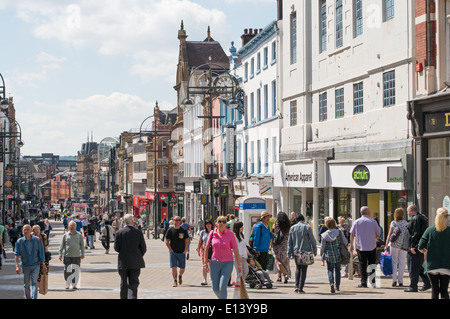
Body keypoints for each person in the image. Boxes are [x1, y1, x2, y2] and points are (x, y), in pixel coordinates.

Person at [203, 216, 242, 299]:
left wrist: (239, 264)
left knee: (222, 286)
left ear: (226, 224)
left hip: (227, 263)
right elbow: (206, 249)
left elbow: (235, 250)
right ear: (216, 223)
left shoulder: (230, 234)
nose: (222, 223)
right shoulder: (212, 233)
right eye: (220, 221)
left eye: (224, 222)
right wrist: (205, 263)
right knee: (215, 287)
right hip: (214, 263)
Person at [418, 207, 450, 299]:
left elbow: (420, 246)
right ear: (447, 217)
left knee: (435, 290)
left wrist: (425, 251)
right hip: (446, 265)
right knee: (444, 291)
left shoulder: (430, 230)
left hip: (432, 265)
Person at [114, 214, 147, 299]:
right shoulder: (138, 232)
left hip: (123, 262)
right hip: (135, 262)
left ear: (124, 222)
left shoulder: (119, 233)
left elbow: (116, 248)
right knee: (134, 283)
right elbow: (143, 248)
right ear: (133, 221)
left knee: (123, 282)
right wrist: (138, 255)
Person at [349, 206, 381, 288]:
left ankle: (363, 282)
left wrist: (351, 244)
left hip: (361, 246)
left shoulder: (356, 222)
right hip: (371, 246)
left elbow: (352, 234)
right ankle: (373, 282)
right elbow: (378, 232)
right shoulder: (373, 222)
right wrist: (375, 236)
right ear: (367, 212)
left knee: (362, 264)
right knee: (372, 264)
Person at [403, 204, 431, 292]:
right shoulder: (419, 218)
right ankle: (427, 283)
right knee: (418, 267)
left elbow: (416, 233)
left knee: (413, 267)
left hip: (414, 248)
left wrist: (412, 246)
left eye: (408, 211)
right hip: (417, 247)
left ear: (411, 210)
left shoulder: (416, 219)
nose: (407, 213)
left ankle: (413, 286)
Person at [14, 225, 47, 299]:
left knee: (34, 282)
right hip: (25, 266)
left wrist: (43, 264)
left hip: (36, 265)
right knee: (26, 284)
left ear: (31, 231)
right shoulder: (19, 241)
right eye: (24, 230)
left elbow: (41, 253)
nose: (26, 231)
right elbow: (16, 254)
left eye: (27, 229)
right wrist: (17, 266)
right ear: (22, 231)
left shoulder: (37, 240)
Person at [288, 214, 317, 293]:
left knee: (298, 268)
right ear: (303, 219)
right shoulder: (307, 227)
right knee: (304, 269)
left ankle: (296, 285)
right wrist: (315, 250)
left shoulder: (292, 228)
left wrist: (289, 252)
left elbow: (289, 241)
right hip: (305, 251)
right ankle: (301, 287)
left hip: (296, 251)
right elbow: (312, 240)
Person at [321, 218, 347, 293]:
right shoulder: (339, 232)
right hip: (338, 253)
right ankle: (337, 286)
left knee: (330, 269)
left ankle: (331, 283)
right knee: (338, 270)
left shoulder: (324, 235)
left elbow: (322, 246)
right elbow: (345, 241)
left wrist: (322, 255)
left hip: (329, 255)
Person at [384, 208, 408, 287]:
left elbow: (389, 234)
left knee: (394, 262)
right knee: (402, 263)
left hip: (394, 245)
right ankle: (400, 281)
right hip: (404, 245)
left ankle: (394, 280)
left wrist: (386, 244)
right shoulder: (406, 223)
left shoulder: (393, 223)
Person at [59, 220, 85, 289]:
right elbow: (62, 245)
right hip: (67, 255)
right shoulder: (65, 235)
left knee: (75, 270)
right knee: (67, 270)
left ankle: (74, 284)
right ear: (68, 226)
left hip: (76, 256)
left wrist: (82, 253)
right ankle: (67, 283)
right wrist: (60, 254)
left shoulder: (79, 235)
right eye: (71, 225)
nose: (72, 227)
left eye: (73, 226)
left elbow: (82, 245)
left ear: (76, 226)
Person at [165, 216, 190, 287]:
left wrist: (185, 250)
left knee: (182, 268)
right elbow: (166, 240)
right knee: (174, 267)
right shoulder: (170, 230)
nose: (177, 221)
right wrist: (170, 249)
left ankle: (180, 276)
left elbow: (187, 240)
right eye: (176, 220)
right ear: (173, 221)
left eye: (179, 220)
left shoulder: (183, 230)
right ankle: (175, 281)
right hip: (173, 252)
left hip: (182, 252)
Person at [272, 211, 291, 283]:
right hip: (286, 246)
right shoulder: (288, 226)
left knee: (278, 261)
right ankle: (279, 276)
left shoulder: (276, 225)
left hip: (277, 245)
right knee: (284, 261)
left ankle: (285, 274)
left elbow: (273, 235)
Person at [233, 221, 250, 295]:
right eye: (241, 227)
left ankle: (239, 283)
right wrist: (237, 256)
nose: (242, 228)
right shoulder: (234, 236)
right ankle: (238, 287)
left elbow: (244, 245)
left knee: (246, 271)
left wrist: (248, 252)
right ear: (237, 228)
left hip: (243, 256)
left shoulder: (242, 236)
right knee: (239, 272)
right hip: (237, 257)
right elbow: (234, 248)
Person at [197, 219, 213, 286]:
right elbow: (200, 241)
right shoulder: (203, 232)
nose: (208, 225)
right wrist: (198, 248)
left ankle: (211, 279)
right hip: (204, 248)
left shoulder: (214, 232)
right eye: (207, 224)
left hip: (212, 249)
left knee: (211, 265)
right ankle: (205, 279)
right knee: (204, 264)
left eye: (209, 224)